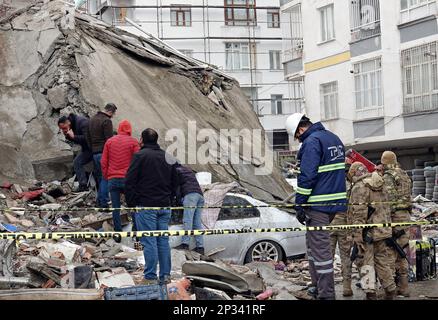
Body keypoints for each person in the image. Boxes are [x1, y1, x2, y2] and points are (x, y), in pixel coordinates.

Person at [285, 113, 347, 300]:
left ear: (300, 129)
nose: (299, 140)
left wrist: (300, 203)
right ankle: (315, 287)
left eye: (297, 136)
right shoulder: (333, 138)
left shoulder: (312, 142)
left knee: (320, 251)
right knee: (312, 246)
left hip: (318, 203)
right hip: (334, 202)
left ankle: (326, 294)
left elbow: (307, 177)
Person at [125, 128, 178, 285]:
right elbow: (176, 180)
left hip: (146, 205)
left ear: (142, 139)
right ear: (156, 140)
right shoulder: (167, 156)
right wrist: (170, 197)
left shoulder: (140, 156)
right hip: (164, 205)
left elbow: (129, 181)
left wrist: (132, 203)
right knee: (163, 241)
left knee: (149, 241)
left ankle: (150, 277)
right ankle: (165, 275)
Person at [348, 162, 397, 300]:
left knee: (365, 263)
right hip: (382, 230)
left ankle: (370, 294)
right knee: (382, 261)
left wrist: (357, 235)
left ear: (354, 173)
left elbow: (359, 213)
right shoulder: (380, 183)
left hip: (367, 233)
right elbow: (388, 208)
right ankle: (390, 290)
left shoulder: (360, 187)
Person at [381, 151, 412, 297]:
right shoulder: (404, 174)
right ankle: (404, 287)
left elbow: (389, 200)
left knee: (391, 252)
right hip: (406, 216)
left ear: (384, 162)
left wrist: (387, 220)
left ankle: (391, 288)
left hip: (395, 218)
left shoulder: (389, 176)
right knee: (402, 251)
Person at [101, 120, 140, 234]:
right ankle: (136, 231)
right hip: (128, 180)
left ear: (119, 129)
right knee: (132, 205)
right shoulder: (133, 142)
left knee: (116, 207)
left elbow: (104, 162)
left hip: (113, 179)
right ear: (129, 129)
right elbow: (137, 162)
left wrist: (106, 176)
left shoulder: (109, 141)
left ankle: (117, 232)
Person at [88, 103, 117, 208]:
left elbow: (88, 137)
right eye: (113, 114)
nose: (112, 116)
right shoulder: (107, 121)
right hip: (103, 153)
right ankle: (104, 202)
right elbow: (109, 140)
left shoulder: (92, 119)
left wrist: (92, 149)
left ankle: (99, 201)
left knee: (100, 178)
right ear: (110, 111)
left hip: (94, 153)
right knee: (106, 178)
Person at [329, 175, 353, 297]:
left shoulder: (327, 183)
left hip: (329, 224)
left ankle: (328, 288)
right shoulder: (347, 186)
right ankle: (347, 287)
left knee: (328, 257)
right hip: (344, 224)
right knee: (345, 257)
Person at [174, 165, 205, 255]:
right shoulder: (188, 170)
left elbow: (177, 188)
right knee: (197, 223)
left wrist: (178, 200)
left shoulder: (175, 171)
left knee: (187, 220)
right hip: (200, 195)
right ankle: (200, 247)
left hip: (190, 195)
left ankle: (185, 244)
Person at [58, 114, 92, 192]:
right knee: (77, 162)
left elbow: (88, 139)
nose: (64, 130)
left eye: (64, 128)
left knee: (78, 162)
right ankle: (83, 185)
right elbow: (76, 140)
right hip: (86, 148)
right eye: (62, 129)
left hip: (94, 148)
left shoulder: (82, 122)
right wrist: (68, 136)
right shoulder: (72, 125)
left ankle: (83, 186)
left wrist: (74, 137)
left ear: (68, 122)